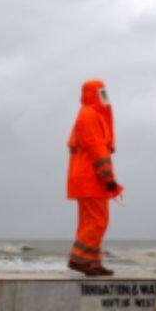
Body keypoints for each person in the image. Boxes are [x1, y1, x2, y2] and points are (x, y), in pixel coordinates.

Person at [66, 79, 122, 276]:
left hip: (86, 178)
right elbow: (97, 148)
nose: (105, 97)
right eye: (101, 93)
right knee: (97, 221)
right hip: (91, 178)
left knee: (91, 221)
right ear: (93, 94)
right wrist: (108, 177)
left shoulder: (89, 115)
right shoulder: (90, 115)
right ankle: (78, 258)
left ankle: (92, 263)